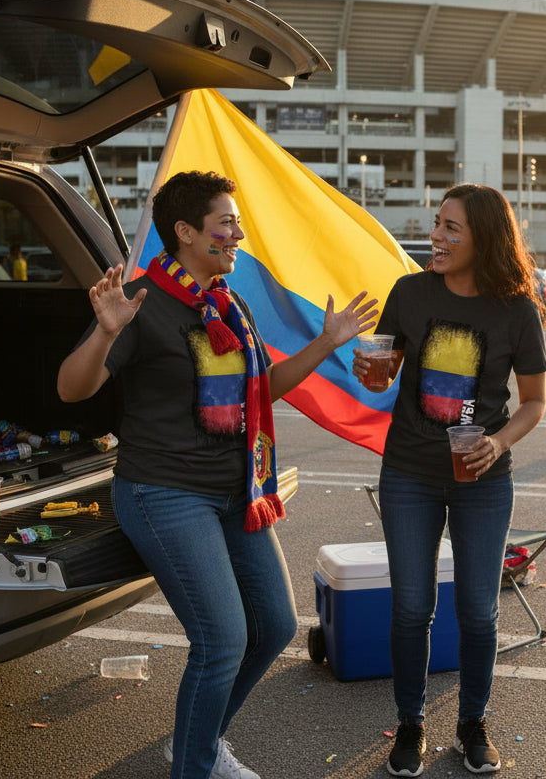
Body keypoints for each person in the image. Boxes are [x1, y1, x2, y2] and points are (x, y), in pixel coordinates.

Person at [57, 170, 378, 779]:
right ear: (184, 232)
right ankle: (197, 766)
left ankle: (198, 745)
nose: (237, 234)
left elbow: (264, 390)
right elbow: (72, 388)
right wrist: (105, 331)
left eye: (236, 222)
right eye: (225, 223)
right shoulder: (140, 302)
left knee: (275, 625)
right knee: (223, 640)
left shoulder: (228, 305)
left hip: (236, 491)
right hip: (164, 492)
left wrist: (326, 340)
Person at [355, 183, 546, 777]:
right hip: (409, 471)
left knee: (479, 612)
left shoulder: (516, 307)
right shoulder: (410, 293)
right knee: (412, 608)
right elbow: (382, 378)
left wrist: (499, 441)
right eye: (437, 224)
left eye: (452, 229)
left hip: (483, 479)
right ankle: (410, 724)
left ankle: (472, 722)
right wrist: (371, 373)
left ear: (484, 238)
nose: (437, 236)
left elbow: (535, 402)